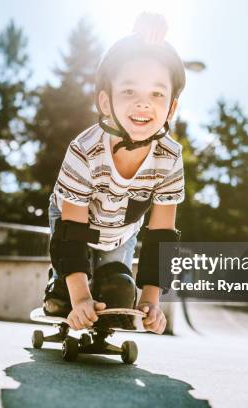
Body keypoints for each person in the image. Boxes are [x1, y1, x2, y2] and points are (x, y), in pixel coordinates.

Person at [43, 13, 186, 335]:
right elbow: (73, 228)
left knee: (120, 290)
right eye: (129, 92)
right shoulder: (84, 150)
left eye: (157, 94)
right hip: (74, 220)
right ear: (106, 102)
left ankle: (104, 315)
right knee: (67, 295)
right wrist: (80, 297)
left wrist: (151, 300)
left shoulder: (170, 158)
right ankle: (58, 289)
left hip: (121, 230)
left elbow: (162, 233)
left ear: (171, 108)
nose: (143, 105)